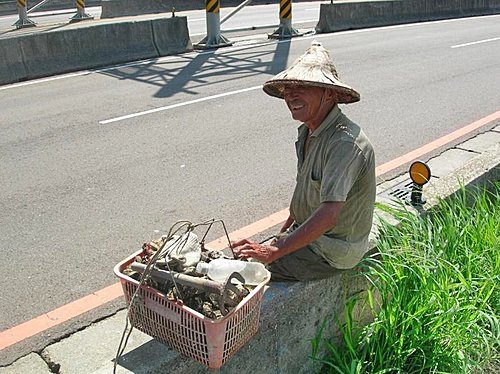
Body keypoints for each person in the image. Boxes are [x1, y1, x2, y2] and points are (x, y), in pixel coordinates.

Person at [232, 42, 376, 281]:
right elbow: (305, 196)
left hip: (331, 250)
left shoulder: (344, 143)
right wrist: (280, 237)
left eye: (302, 87)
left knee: (245, 278)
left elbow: (329, 214)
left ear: (329, 94)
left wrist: (274, 250)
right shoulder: (308, 132)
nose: (290, 95)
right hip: (313, 237)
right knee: (245, 259)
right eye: (288, 88)